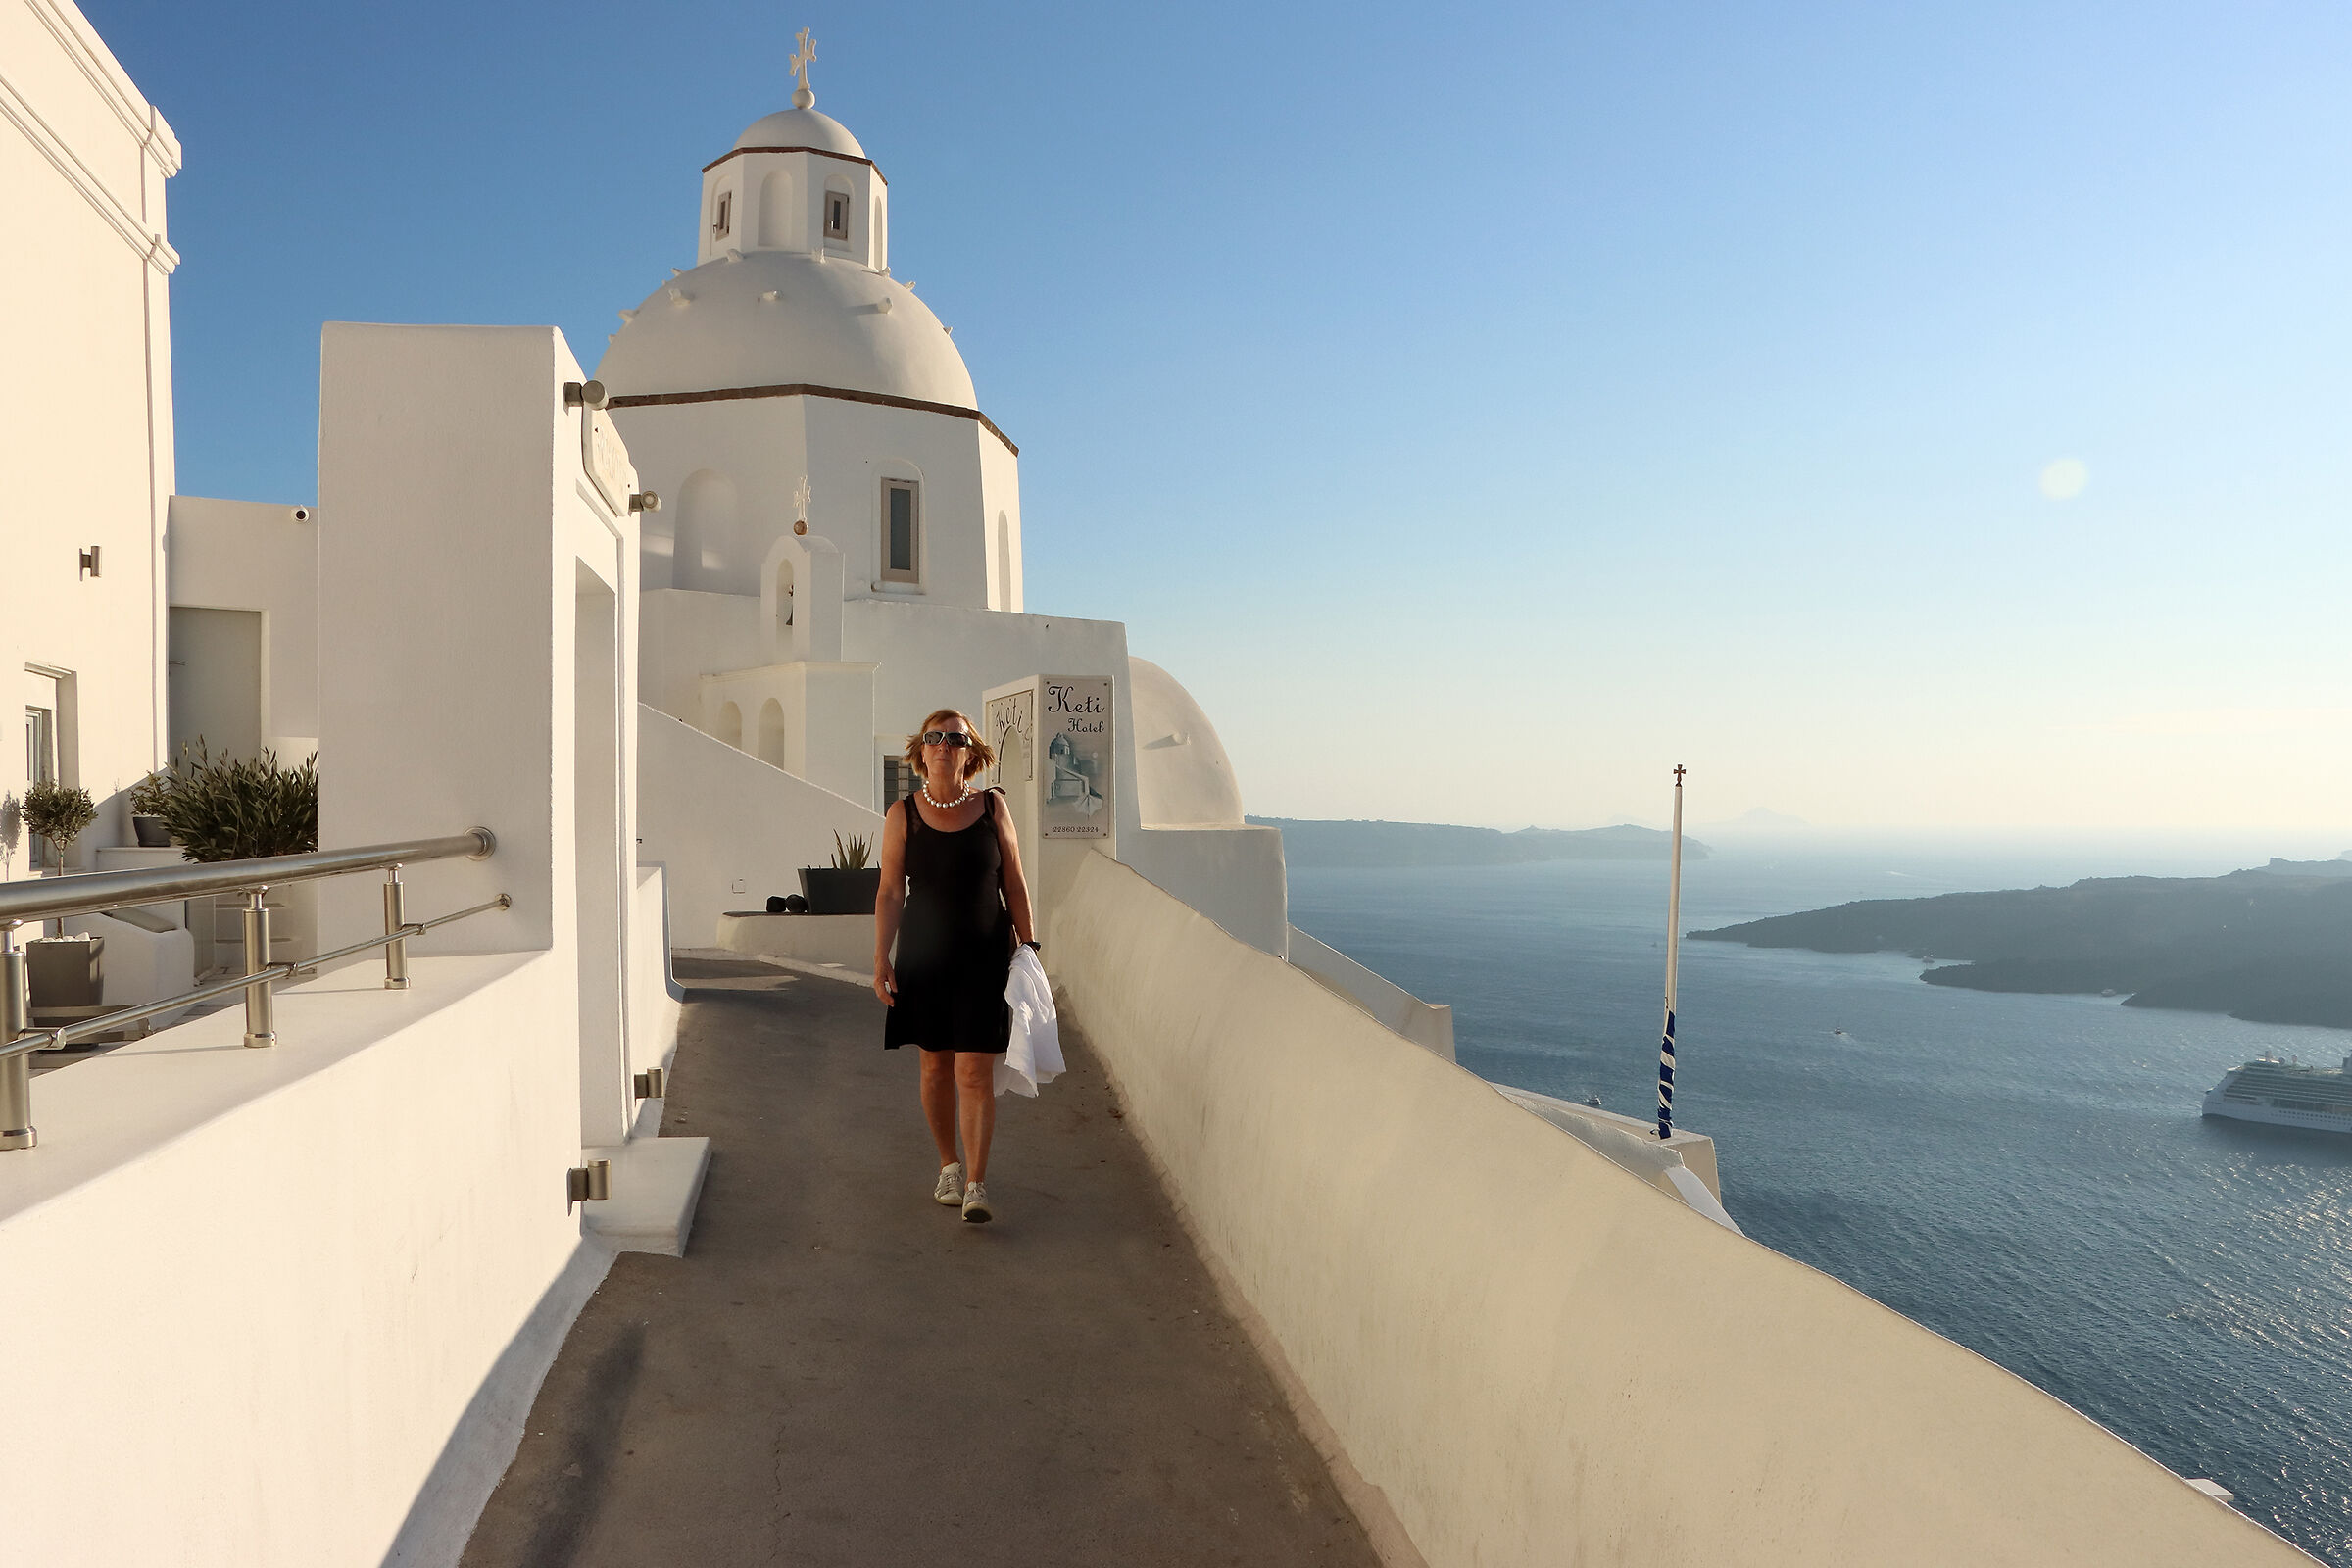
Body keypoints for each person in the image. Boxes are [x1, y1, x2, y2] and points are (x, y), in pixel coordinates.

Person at [873, 707, 1037, 1223]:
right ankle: (948, 1164)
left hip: (984, 955)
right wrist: (881, 956)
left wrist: (1029, 945)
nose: (944, 745)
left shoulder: (992, 808)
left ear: (971, 753)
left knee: (973, 1069)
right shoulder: (904, 814)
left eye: (955, 738)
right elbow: (888, 891)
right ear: (921, 752)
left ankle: (976, 1182)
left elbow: (1013, 879)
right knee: (934, 1065)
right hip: (923, 956)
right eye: (934, 737)